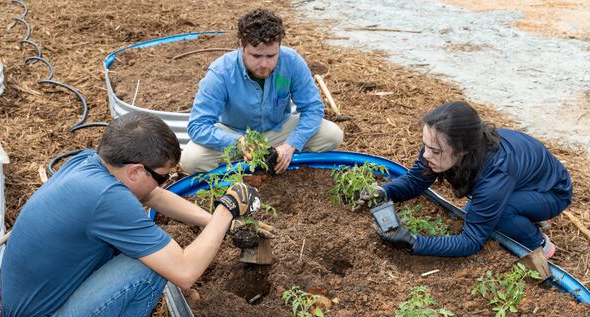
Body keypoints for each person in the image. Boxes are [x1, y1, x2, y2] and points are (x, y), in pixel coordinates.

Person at [0, 112, 262, 317]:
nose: (165, 183)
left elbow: (153, 196)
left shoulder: (91, 163)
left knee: (148, 250)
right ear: (136, 171)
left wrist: (216, 223)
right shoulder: (108, 199)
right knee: (151, 265)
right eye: (163, 177)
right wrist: (226, 209)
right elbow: (184, 271)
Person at [360, 101, 572, 258]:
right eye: (425, 145)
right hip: (520, 183)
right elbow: (416, 181)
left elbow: (471, 241)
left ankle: (539, 244)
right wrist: (385, 191)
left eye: (434, 150)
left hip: (552, 191)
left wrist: (414, 243)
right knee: (481, 209)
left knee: (495, 214)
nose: (426, 155)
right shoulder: (440, 146)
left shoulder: (495, 174)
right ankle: (527, 209)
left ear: (463, 151)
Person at [180, 8, 343, 175]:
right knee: (191, 160)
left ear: (279, 46)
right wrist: (237, 141)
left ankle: (281, 158)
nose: (264, 64)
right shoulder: (221, 72)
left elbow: (313, 108)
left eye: (271, 56)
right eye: (256, 56)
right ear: (241, 46)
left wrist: (291, 145)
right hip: (236, 133)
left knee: (332, 135)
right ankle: (245, 165)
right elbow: (197, 125)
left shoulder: (292, 62)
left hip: (278, 130)